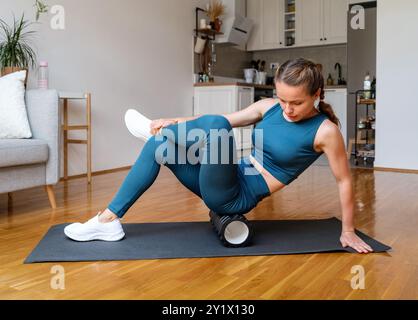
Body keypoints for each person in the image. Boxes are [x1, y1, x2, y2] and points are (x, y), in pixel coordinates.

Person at [64, 58, 373, 254]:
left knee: (217, 127)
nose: (287, 109)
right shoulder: (269, 107)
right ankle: (107, 221)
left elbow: (344, 181)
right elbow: (224, 117)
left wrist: (347, 230)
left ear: (317, 96)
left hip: (236, 195)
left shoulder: (325, 131)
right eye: (281, 99)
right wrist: (172, 120)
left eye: (296, 103)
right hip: (223, 176)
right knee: (159, 147)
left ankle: (155, 131)